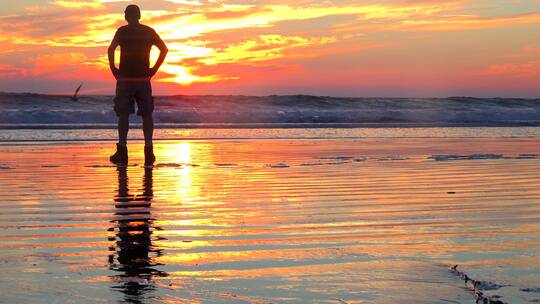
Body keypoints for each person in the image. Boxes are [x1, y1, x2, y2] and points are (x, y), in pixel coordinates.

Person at [108, 4, 168, 166]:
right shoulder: (148, 31)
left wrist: (114, 69)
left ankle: (122, 150)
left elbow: (111, 49)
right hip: (143, 78)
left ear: (127, 16)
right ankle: (148, 151)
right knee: (147, 114)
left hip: (126, 78)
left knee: (123, 114)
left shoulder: (122, 31)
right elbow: (164, 49)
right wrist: (153, 69)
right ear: (139, 15)